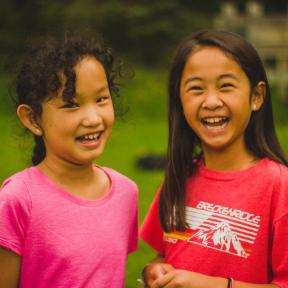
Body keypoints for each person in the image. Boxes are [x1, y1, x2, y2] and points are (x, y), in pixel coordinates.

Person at [140, 30, 288, 288]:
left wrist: (214, 285)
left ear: (256, 97)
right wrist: (153, 270)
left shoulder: (280, 185)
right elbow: (164, 254)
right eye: (196, 88)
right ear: (180, 99)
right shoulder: (179, 176)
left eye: (226, 86)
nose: (210, 101)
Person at [0, 34, 138, 288]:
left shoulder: (126, 193)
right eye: (72, 104)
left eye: (101, 99)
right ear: (32, 119)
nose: (93, 118)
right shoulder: (18, 200)